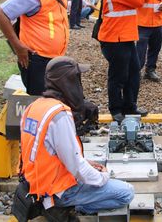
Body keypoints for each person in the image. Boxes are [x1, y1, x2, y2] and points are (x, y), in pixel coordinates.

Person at [20, 56, 134, 220]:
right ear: (68, 81)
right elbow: (76, 167)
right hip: (56, 191)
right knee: (125, 193)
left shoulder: (34, 106)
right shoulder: (59, 115)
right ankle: (64, 206)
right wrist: (103, 177)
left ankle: (59, 203)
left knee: (95, 177)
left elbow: (46, 151)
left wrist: (86, 163)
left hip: (35, 183)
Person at [0, 0, 84, 95]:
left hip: (55, 58)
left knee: (54, 98)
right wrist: (17, 46)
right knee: (39, 99)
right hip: (37, 61)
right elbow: (0, 14)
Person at [97, 0, 153, 122]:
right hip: (116, 38)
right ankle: (116, 109)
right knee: (118, 76)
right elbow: (137, 1)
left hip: (124, 37)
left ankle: (130, 106)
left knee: (133, 73)